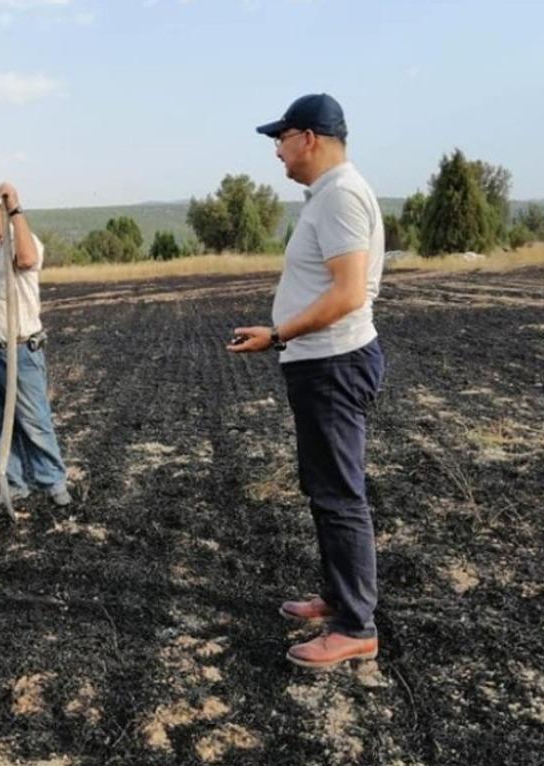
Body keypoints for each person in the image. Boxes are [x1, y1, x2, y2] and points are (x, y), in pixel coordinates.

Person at [229, 94, 386, 670]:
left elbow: (346, 294)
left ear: (310, 138)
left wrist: (278, 334)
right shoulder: (330, 196)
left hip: (333, 364)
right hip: (321, 362)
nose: (277, 151)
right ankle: (340, 600)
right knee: (324, 490)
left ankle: (354, 627)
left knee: (340, 496)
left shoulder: (341, 196)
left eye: (282, 138)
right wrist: (280, 333)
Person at [0, 182, 71, 508]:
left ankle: (53, 483)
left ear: (1, 211)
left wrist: (16, 207)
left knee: (33, 419)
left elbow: (27, 259)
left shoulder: (18, 242)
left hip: (20, 348)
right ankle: (13, 484)